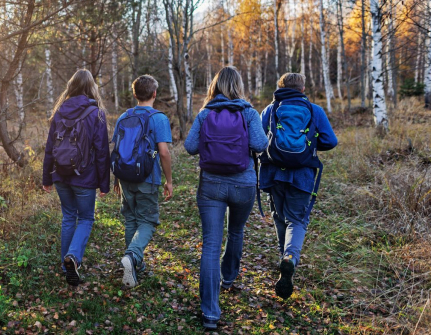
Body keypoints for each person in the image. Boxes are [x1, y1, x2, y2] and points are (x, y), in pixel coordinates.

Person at [184, 67, 268, 331]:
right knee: (236, 231)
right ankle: (228, 278)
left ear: (215, 86)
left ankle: (210, 312)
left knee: (210, 245)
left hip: (211, 185)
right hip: (243, 183)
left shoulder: (206, 112)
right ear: (239, 86)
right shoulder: (249, 112)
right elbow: (260, 144)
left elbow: (189, 147)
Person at [260, 73, 338, 300]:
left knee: (279, 217)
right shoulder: (315, 110)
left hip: (274, 173)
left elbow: (258, 137)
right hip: (302, 174)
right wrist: (309, 145)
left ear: (280, 87)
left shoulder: (270, 109)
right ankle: (290, 259)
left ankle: (285, 258)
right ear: (303, 88)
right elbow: (330, 141)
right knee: (297, 220)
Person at [42, 69, 110, 287]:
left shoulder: (60, 111)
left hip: (60, 174)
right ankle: (73, 257)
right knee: (86, 218)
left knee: (69, 217)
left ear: (71, 86)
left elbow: (50, 148)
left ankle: (66, 266)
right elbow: (101, 151)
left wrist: (46, 178)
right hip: (85, 177)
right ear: (91, 88)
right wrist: (104, 183)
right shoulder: (96, 113)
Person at [111, 75, 173, 288]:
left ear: (135, 94)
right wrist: (169, 180)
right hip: (148, 178)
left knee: (130, 219)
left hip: (125, 177)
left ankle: (134, 265)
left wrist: (116, 180)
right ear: (154, 94)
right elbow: (164, 153)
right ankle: (133, 256)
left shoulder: (123, 117)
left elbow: (118, 150)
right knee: (148, 220)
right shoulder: (159, 118)